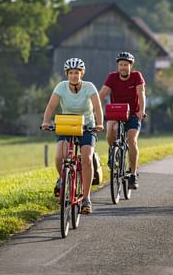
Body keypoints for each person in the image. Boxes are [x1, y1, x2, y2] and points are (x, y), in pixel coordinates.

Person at [41, 58, 103, 214]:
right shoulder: (61, 87)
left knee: (87, 158)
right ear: (67, 74)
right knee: (59, 157)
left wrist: (100, 123)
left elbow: (97, 107)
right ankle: (62, 178)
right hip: (66, 124)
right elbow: (51, 106)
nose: (74, 76)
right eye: (71, 73)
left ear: (82, 73)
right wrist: (46, 121)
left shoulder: (89, 87)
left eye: (77, 73)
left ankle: (87, 198)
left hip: (87, 126)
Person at [99, 51, 146, 190]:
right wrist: (93, 108)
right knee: (110, 131)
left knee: (132, 141)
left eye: (126, 65)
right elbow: (102, 94)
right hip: (116, 112)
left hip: (133, 114)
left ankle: (133, 174)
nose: (123, 67)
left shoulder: (137, 76)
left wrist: (141, 110)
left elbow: (141, 94)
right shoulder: (112, 77)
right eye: (121, 65)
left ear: (131, 66)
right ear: (117, 66)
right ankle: (113, 151)